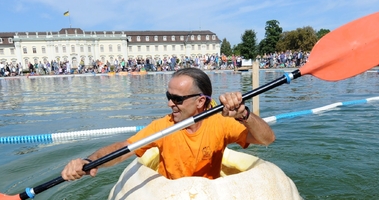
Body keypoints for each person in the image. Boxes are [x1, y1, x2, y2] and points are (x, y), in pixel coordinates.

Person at [61, 68, 275, 181]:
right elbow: (123, 149)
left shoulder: (221, 122)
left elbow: (267, 139)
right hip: (171, 199)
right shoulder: (163, 126)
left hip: (210, 196)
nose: (169, 103)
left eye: (177, 99)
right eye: (168, 95)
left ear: (201, 101)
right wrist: (89, 161)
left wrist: (243, 114)